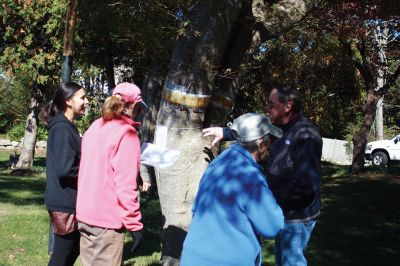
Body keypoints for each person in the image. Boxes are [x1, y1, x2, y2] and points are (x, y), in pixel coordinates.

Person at [202, 86, 322, 266]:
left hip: (296, 217)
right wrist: (225, 132)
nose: (267, 107)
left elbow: (305, 187)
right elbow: (253, 132)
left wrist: (269, 203)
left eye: (271, 104)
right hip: (280, 210)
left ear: (287, 106)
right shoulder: (278, 126)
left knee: (291, 261)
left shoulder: (306, 136)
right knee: (282, 258)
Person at [180, 113, 284, 266]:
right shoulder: (251, 178)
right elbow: (273, 226)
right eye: (270, 141)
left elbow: (196, 209)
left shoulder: (218, 162)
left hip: (192, 256)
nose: (270, 146)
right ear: (261, 144)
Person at [76, 82, 144, 266]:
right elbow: (126, 185)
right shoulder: (126, 133)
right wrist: (134, 224)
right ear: (133, 105)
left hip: (84, 214)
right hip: (106, 221)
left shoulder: (95, 126)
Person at [42, 82, 89, 266]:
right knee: (62, 254)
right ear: (69, 101)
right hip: (63, 201)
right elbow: (65, 169)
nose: (86, 101)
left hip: (67, 199)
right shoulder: (62, 128)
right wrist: (92, 173)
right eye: (82, 98)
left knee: (73, 248)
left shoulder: (67, 126)